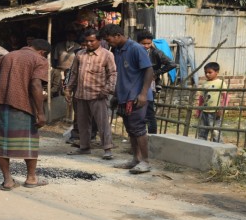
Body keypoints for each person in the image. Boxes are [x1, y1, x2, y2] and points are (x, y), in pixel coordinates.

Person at [0, 39, 51, 191]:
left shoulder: (8, 56)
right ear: (43, 52)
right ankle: (31, 178)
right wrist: (40, 112)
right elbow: (35, 85)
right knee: (29, 142)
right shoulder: (40, 60)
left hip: (1, 104)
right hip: (24, 106)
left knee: (1, 143)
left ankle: (7, 181)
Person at [100, 24, 155, 174]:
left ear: (118, 35)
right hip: (124, 96)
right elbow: (121, 75)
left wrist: (143, 94)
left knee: (138, 129)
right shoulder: (117, 50)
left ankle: (145, 162)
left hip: (137, 97)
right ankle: (136, 159)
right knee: (131, 130)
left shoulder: (136, 48)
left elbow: (149, 70)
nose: (108, 43)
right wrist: (116, 96)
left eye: (109, 39)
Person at [64, 29, 117, 160]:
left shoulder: (107, 55)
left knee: (102, 123)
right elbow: (74, 73)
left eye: (92, 41)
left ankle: (107, 149)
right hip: (81, 94)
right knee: (82, 123)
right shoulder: (80, 54)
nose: (89, 43)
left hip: (98, 94)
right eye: (87, 41)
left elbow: (113, 74)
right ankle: (84, 147)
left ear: (99, 41)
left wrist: (106, 90)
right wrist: (68, 89)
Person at [137, 31, 176, 135]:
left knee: (149, 112)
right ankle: (139, 138)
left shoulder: (156, 52)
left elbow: (172, 64)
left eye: (148, 43)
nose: (146, 46)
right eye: (143, 43)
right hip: (135, 84)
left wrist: (156, 73)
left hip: (149, 85)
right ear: (138, 42)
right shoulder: (134, 52)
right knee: (137, 113)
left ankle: (152, 138)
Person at [64, 33, 98, 146]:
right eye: (83, 44)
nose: (85, 46)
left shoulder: (100, 55)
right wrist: (68, 88)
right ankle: (76, 135)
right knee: (79, 113)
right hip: (78, 89)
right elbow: (71, 72)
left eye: (87, 43)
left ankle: (91, 135)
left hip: (94, 90)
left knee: (93, 114)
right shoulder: (78, 54)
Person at [196, 62, 227, 143]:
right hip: (204, 111)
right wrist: (198, 111)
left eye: (210, 72)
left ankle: (219, 149)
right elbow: (201, 98)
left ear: (217, 72)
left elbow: (226, 97)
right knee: (202, 132)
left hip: (214, 112)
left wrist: (222, 109)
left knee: (216, 133)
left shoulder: (220, 83)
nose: (207, 74)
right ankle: (202, 147)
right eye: (206, 72)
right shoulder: (205, 83)